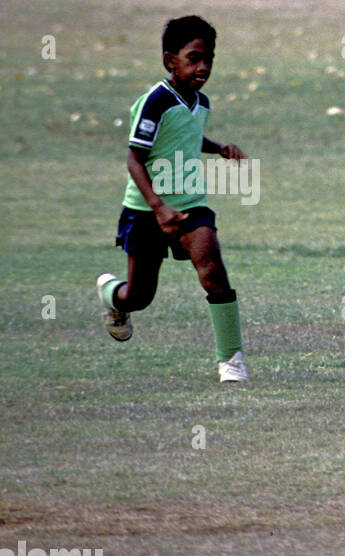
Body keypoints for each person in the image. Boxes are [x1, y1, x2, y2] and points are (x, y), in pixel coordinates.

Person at [97, 15, 250, 383]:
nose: (204, 66)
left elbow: (186, 135)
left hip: (191, 204)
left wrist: (218, 149)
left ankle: (231, 361)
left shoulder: (201, 102)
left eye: (209, 58)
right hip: (146, 209)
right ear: (170, 60)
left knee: (213, 272)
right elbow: (135, 156)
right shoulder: (155, 102)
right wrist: (159, 208)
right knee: (140, 297)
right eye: (194, 57)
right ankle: (111, 295)